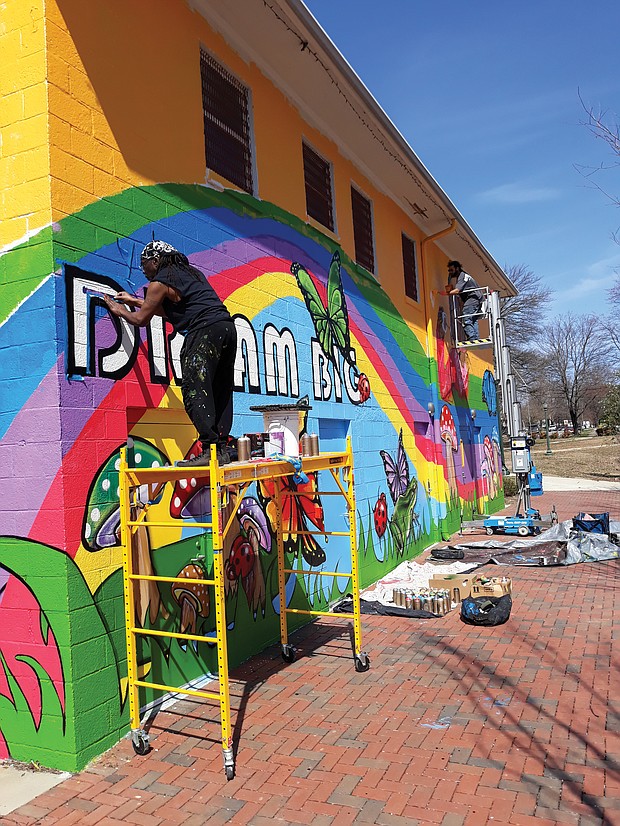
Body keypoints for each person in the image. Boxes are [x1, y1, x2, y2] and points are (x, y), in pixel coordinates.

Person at [103, 240, 237, 466]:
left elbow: (141, 319)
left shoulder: (159, 282)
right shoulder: (191, 274)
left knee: (195, 389)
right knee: (219, 389)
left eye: (144, 265)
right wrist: (135, 300)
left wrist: (119, 310)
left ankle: (209, 449)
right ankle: (222, 449)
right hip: (226, 328)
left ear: (155, 261)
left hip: (203, 331)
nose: (143, 271)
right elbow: (168, 309)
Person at [445, 260, 484, 341]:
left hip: (473, 297)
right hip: (477, 297)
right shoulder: (464, 275)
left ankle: (472, 337)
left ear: (457, 268)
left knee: (466, 316)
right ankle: (475, 337)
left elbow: (457, 290)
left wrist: (447, 293)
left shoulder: (462, 276)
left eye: (451, 270)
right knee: (472, 318)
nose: (450, 272)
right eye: (449, 270)